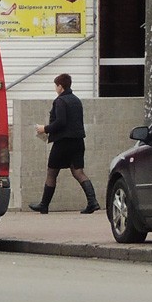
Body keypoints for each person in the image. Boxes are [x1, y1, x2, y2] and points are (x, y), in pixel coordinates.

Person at [30, 73, 100, 214]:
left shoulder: (60, 101)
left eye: (56, 85)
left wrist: (45, 128)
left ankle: (44, 205)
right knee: (78, 172)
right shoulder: (76, 100)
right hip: (78, 141)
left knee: (51, 172)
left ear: (60, 86)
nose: (56, 88)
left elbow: (61, 122)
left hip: (63, 142)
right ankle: (93, 202)